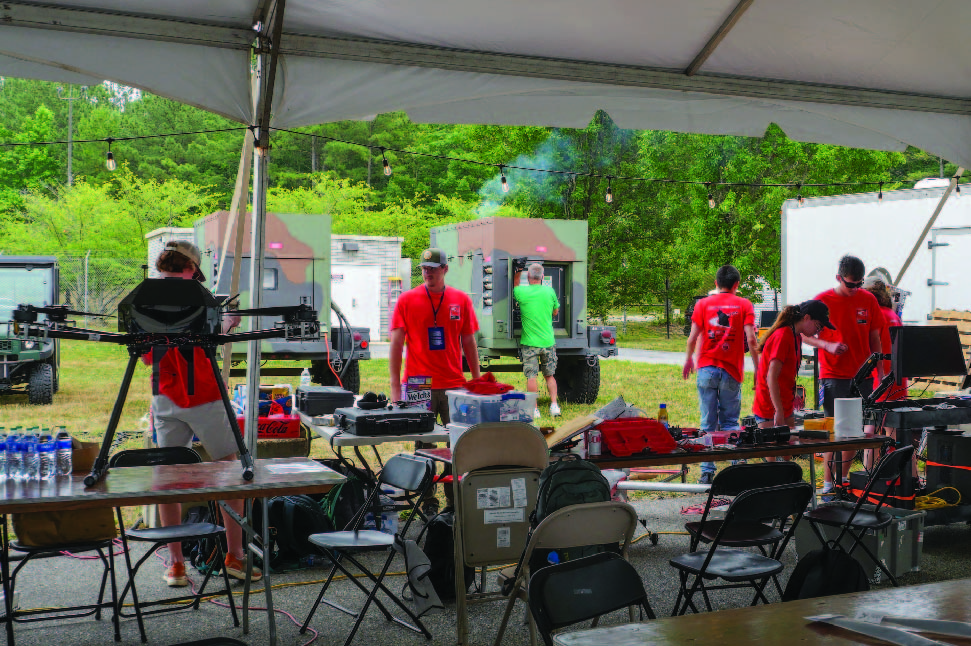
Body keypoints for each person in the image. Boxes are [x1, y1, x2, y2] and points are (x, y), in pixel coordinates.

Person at [144, 240, 259, 587]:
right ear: (192, 268)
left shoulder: (148, 297)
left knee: (170, 479)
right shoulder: (200, 297)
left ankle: (176, 564)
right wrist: (228, 325)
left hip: (164, 396)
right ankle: (235, 557)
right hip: (204, 396)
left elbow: (147, 354)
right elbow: (204, 343)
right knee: (230, 472)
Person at [389, 247, 480, 514]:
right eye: (424, 269)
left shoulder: (460, 300)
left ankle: (455, 502)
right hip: (419, 384)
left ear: (445, 269)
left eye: (433, 268)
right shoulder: (407, 300)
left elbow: (469, 341)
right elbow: (396, 344)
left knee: (457, 444)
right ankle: (428, 501)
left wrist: (475, 380)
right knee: (425, 446)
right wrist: (396, 388)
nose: (427, 273)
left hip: (454, 383)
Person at [802, 255, 886, 497]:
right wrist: (826, 346)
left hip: (863, 375)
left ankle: (844, 479)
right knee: (835, 431)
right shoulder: (822, 300)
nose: (855, 289)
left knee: (855, 430)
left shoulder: (868, 299)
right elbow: (803, 334)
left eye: (859, 284)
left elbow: (875, 336)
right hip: (834, 374)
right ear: (838, 278)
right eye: (850, 284)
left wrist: (879, 372)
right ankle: (828, 484)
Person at [683, 265, 759, 485]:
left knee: (708, 422)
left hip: (706, 369)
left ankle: (707, 472)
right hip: (731, 371)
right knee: (730, 421)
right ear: (737, 285)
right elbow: (752, 340)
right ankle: (737, 466)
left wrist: (689, 360)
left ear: (716, 284)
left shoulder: (703, 304)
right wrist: (757, 369)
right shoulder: (744, 304)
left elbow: (692, 338)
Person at [753, 301, 835, 445]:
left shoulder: (795, 336)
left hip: (784, 404)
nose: (819, 331)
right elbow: (771, 376)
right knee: (771, 457)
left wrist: (793, 394)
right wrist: (778, 410)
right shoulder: (783, 336)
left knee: (787, 451)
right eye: (818, 326)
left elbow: (787, 371)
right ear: (807, 318)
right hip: (769, 406)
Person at [861, 276, 911, 471]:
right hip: (898, 378)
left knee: (870, 430)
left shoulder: (873, 315)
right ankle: (908, 478)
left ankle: (867, 476)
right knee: (896, 431)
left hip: (879, 379)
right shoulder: (893, 314)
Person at [513, 260, 561, 419]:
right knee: (550, 375)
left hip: (530, 342)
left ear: (528, 276)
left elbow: (515, 285)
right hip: (548, 341)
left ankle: (534, 409)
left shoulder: (522, 292)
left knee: (531, 376)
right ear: (542, 277)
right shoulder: (550, 292)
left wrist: (518, 270)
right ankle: (554, 406)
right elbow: (555, 311)